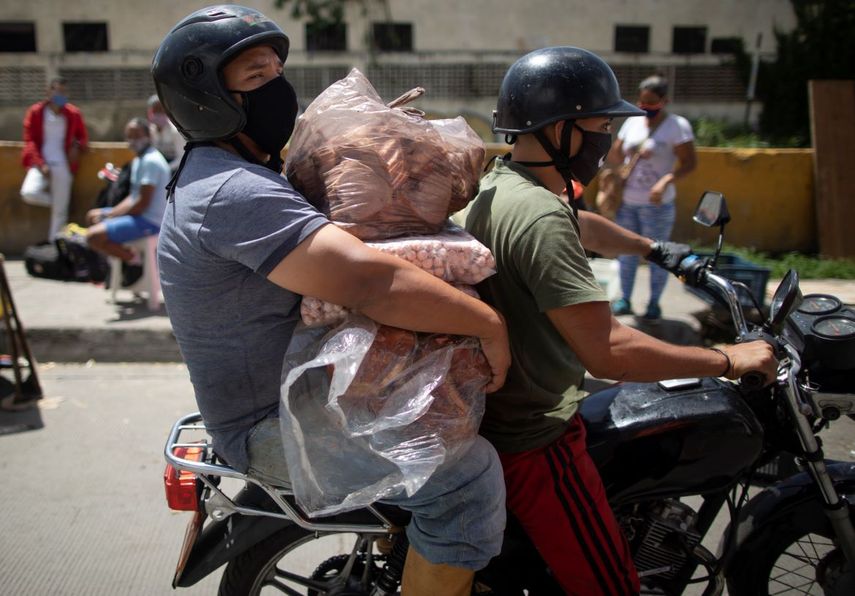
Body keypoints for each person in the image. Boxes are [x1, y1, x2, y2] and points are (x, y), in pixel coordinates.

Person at [150, 6, 510, 595]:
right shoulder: (233, 192)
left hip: (292, 399)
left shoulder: (223, 173)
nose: (278, 90)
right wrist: (489, 325)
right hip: (274, 425)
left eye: (277, 72)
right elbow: (372, 282)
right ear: (206, 99)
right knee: (469, 481)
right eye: (255, 78)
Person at [454, 46, 778, 595]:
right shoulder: (540, 217)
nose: (607, 138)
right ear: (561, 127)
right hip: (536, 439)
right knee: (611, 585)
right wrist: (727, 359)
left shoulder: (502, 185)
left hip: (495, 416)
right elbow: (610, 352)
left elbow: (581, 225)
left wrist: (657, 250)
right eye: (602, 123)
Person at [606, 74, 697, 321]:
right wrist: (621, 166)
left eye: (652, 103)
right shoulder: (632, 123)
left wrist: (666, 180)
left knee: (657, 255)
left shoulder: (677, 126)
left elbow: (689, 163)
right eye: (642, 102)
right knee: (625, 252)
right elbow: (615, 155)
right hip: (627, 202)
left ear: (664, 101)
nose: (645, 108)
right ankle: (625, 299)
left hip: (657, 204)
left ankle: (654, 304)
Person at [85, 118, 169, 263]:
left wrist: (110, 217)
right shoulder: (139, 161)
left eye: (137, 135)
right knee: (92, 216)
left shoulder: (151, 161)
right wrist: (110, 213)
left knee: (92, 237)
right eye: (129, 136)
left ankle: (135, 262)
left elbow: (142, 204)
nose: (133, 140)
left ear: (148, 136)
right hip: (139, 216)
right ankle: (117, 263)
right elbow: (133, 197)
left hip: (151, 222)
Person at [21, 77, 89, 240]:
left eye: (64, 92)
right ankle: (60, 204)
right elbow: (30, 140)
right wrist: (40, 163)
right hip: (41, 163)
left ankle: (56, 247)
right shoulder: (36, 112)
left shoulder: (73, 113)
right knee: (29, 192)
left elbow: (83, 137)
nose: (61, 95)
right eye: (57, 91)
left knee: (59, 216)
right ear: (49, 92)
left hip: (63, 164)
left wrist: (76, 146)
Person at [146, 94, 184, 172]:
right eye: (155, 110)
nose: (157, 113)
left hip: (174, 170)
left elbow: (181, 158)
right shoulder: (150, 131)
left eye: (160, 109)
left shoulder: (175, 131)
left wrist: (165, 169)